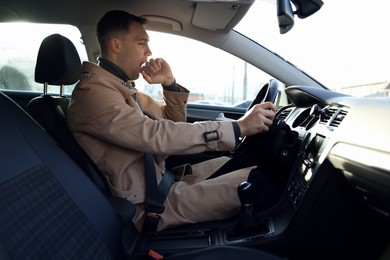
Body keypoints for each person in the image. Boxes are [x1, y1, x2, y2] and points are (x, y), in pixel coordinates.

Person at [67, 10, 277, 232]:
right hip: (147, 205)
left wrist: (169, 84)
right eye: (141, 43)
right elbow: (154, 135)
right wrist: (238, 127)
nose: (148, 52)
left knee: (244, 162)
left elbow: (170, 125)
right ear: (116, 45)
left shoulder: (120, 87)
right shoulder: (93, 94)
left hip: (161, 182)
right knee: (258, 182)